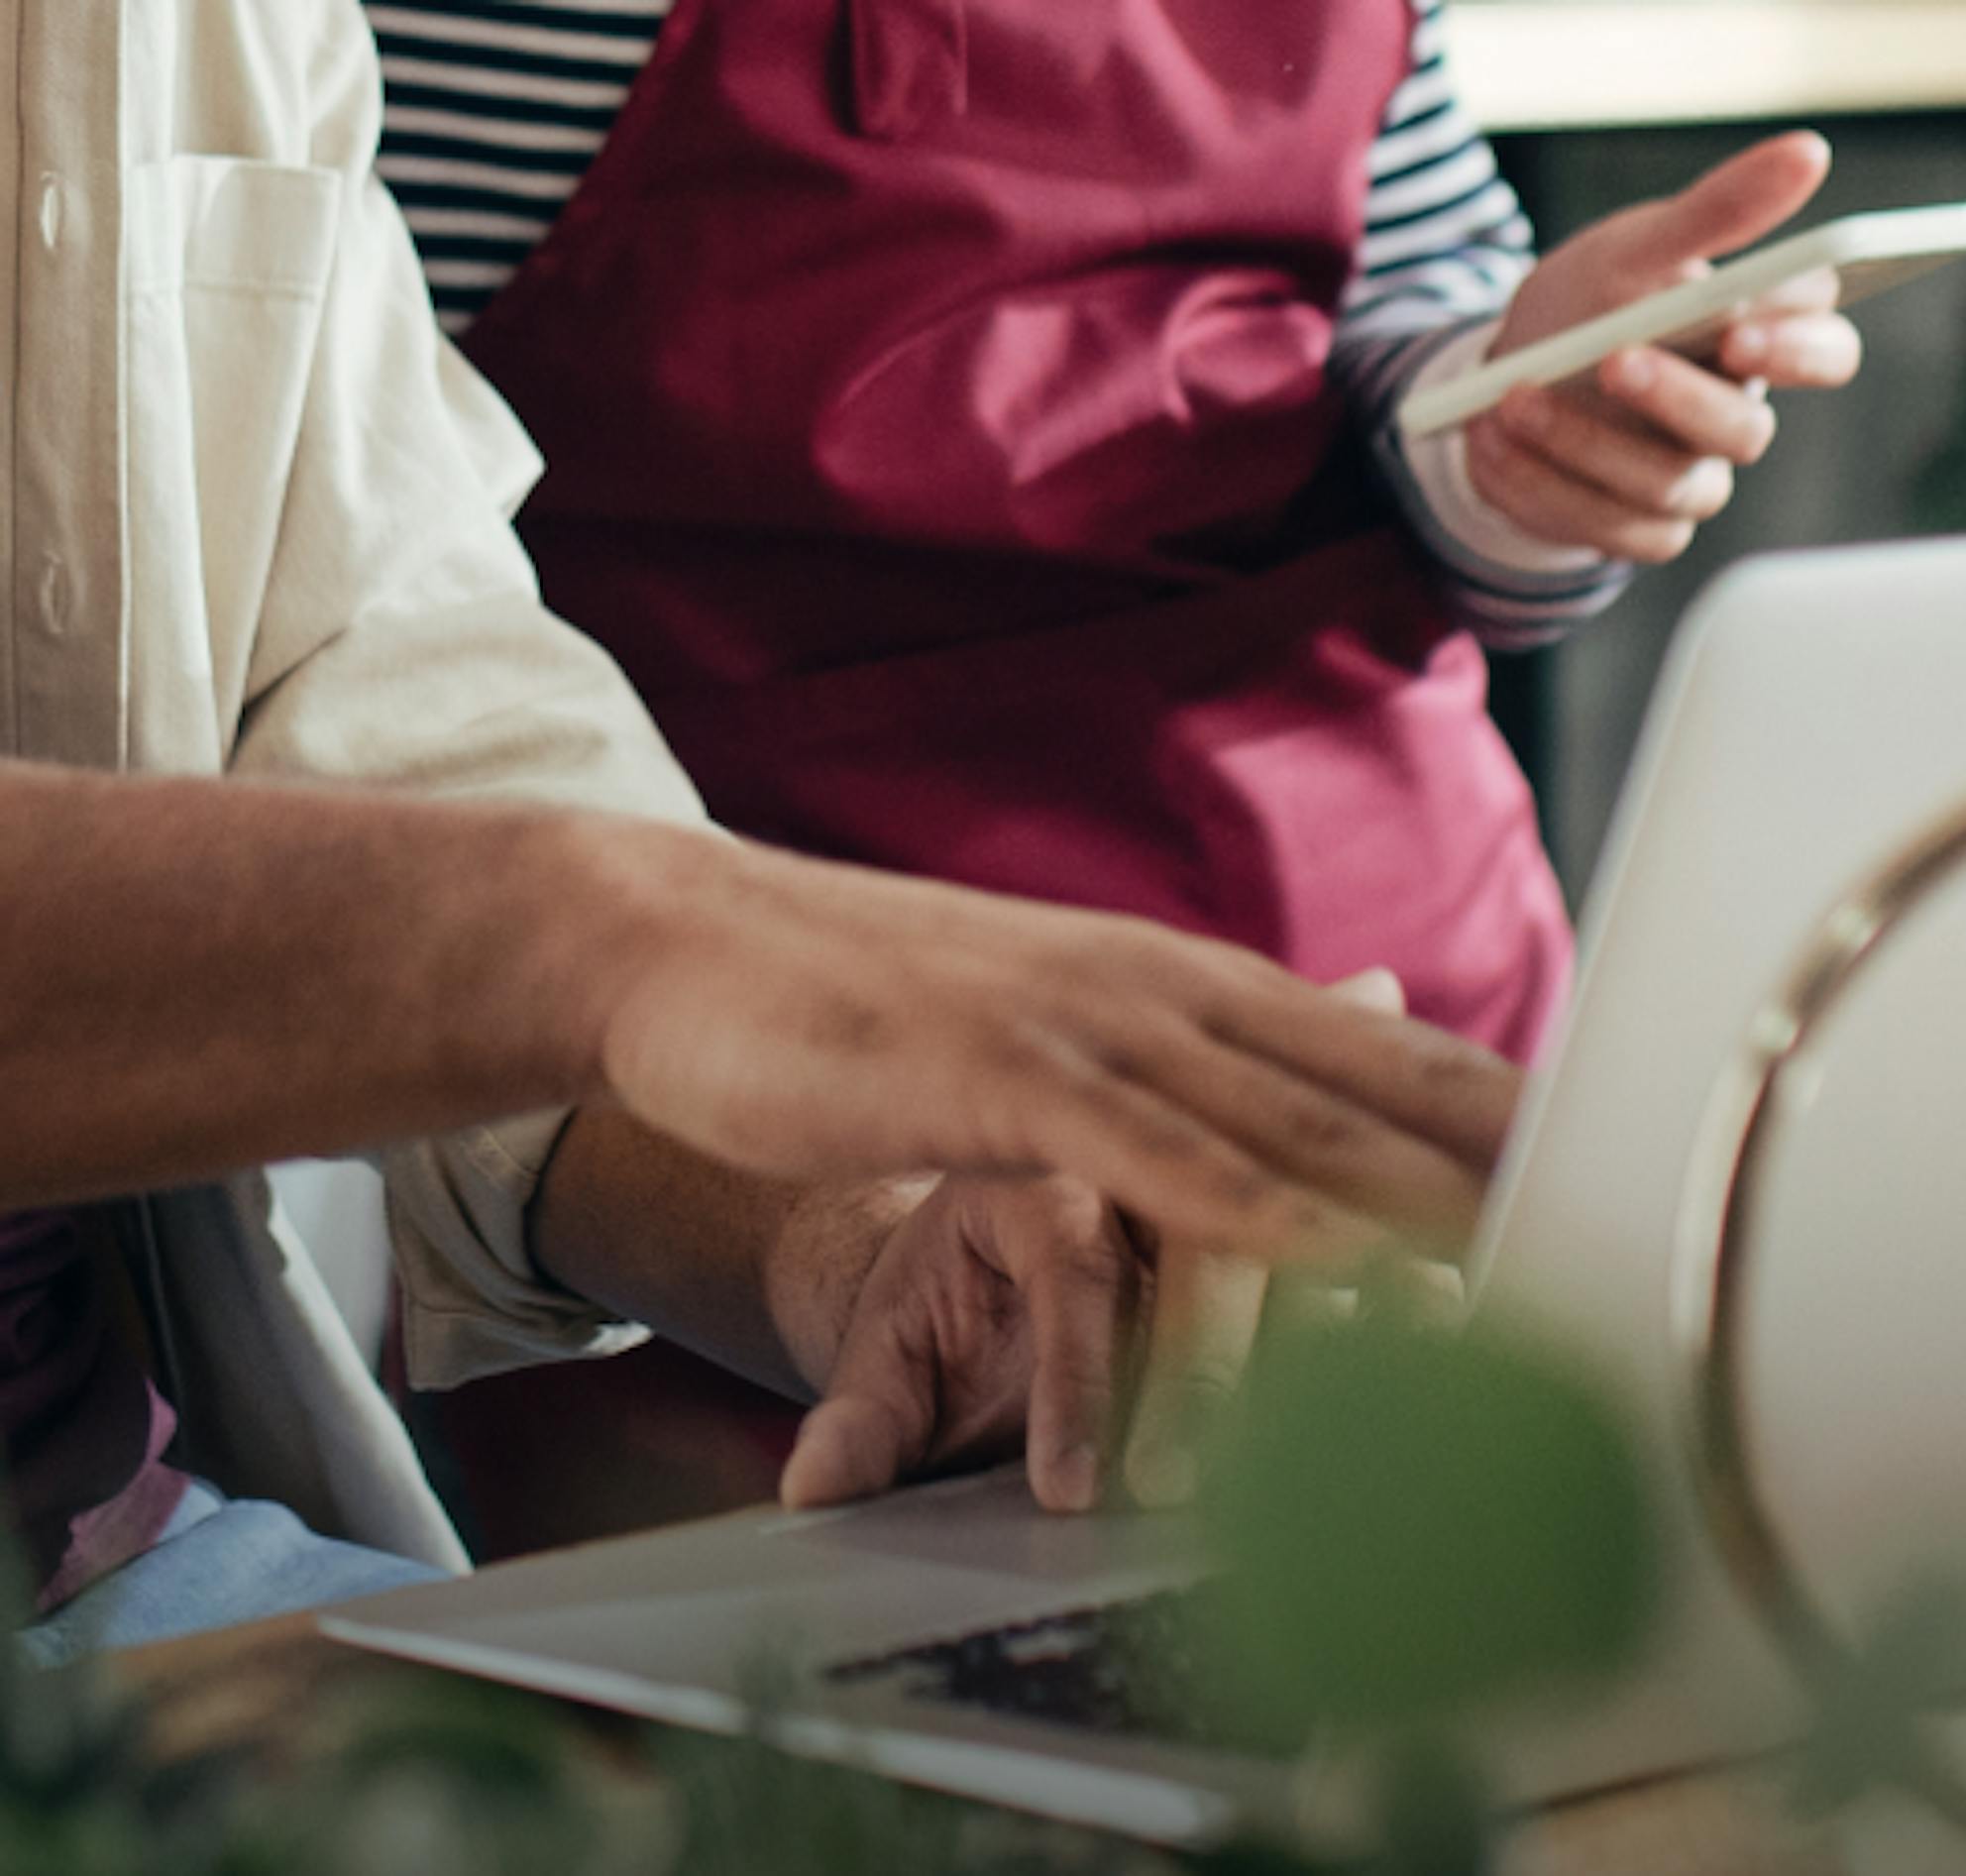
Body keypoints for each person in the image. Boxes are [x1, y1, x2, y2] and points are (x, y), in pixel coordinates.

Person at [0, 0, 1516, 1657]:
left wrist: (855, 1248)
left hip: (127, 1531)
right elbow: (525, 914)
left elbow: (362, 657)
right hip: (758, 1054)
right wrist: (617, 943)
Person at [368, 0, 1864, 1541]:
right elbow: (350, 587)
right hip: (813, 1169)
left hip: (1404, 1021)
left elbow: (1407, 348)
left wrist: (1530, 426)